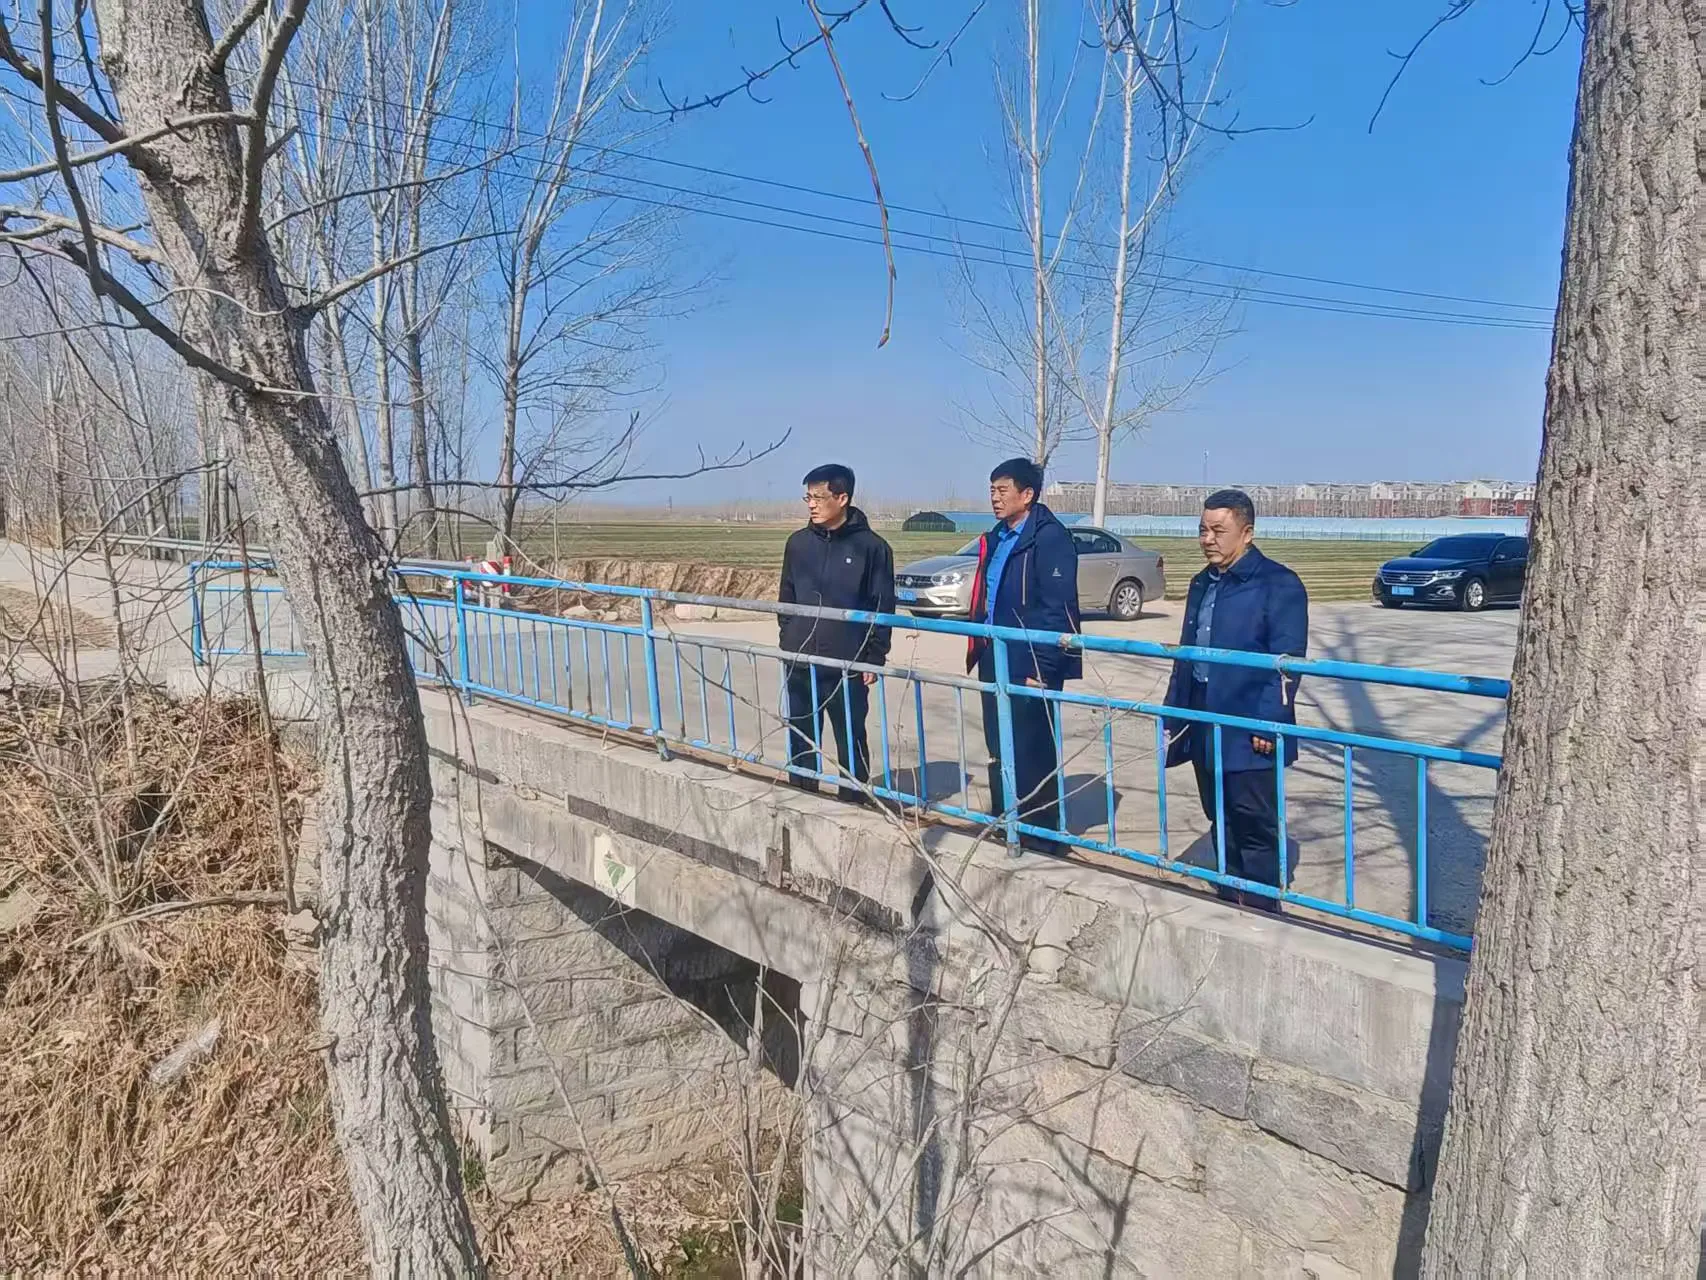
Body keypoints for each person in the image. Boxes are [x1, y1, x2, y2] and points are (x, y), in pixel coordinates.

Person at [1163, 488, 1309, 911]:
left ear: (1247, 533)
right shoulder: (1202, 583)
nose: (1207, 539)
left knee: (1253, 817)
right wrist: (1174, 711)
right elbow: (1186, 652)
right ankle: (1230, 892)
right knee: (1218, 810)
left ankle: (1261, 904)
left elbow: (1287, 660)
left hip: (1249, 721)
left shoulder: (1277, 584)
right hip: (1203, 712)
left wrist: (1269, 719)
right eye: (1203, 530)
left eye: (1218, 530)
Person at [964, 458, 1081, 853]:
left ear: (1027, 494)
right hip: (994, 653)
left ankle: (1042, 833)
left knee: (1033, 749)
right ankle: (1006, 820)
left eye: (1003, 490)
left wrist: (1043, 667)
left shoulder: (1049, 539)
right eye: (992, 490)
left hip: (1031, 660)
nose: (995, 498)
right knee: (1000, 744)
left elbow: (1058, 609)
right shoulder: (998, 536)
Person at [778, 464, 896, 803]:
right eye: (808, 498)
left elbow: (882, 606)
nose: (812, 505)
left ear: (842, 498)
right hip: (801, 658)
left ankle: (854, 802)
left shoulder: (872, 548)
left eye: (819, 497)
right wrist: (789, 636)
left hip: (848, 662)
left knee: (850, 737)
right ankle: (802, 798)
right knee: (801, 736)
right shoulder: (798, 544)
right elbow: (787, 595)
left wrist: (873, 657)